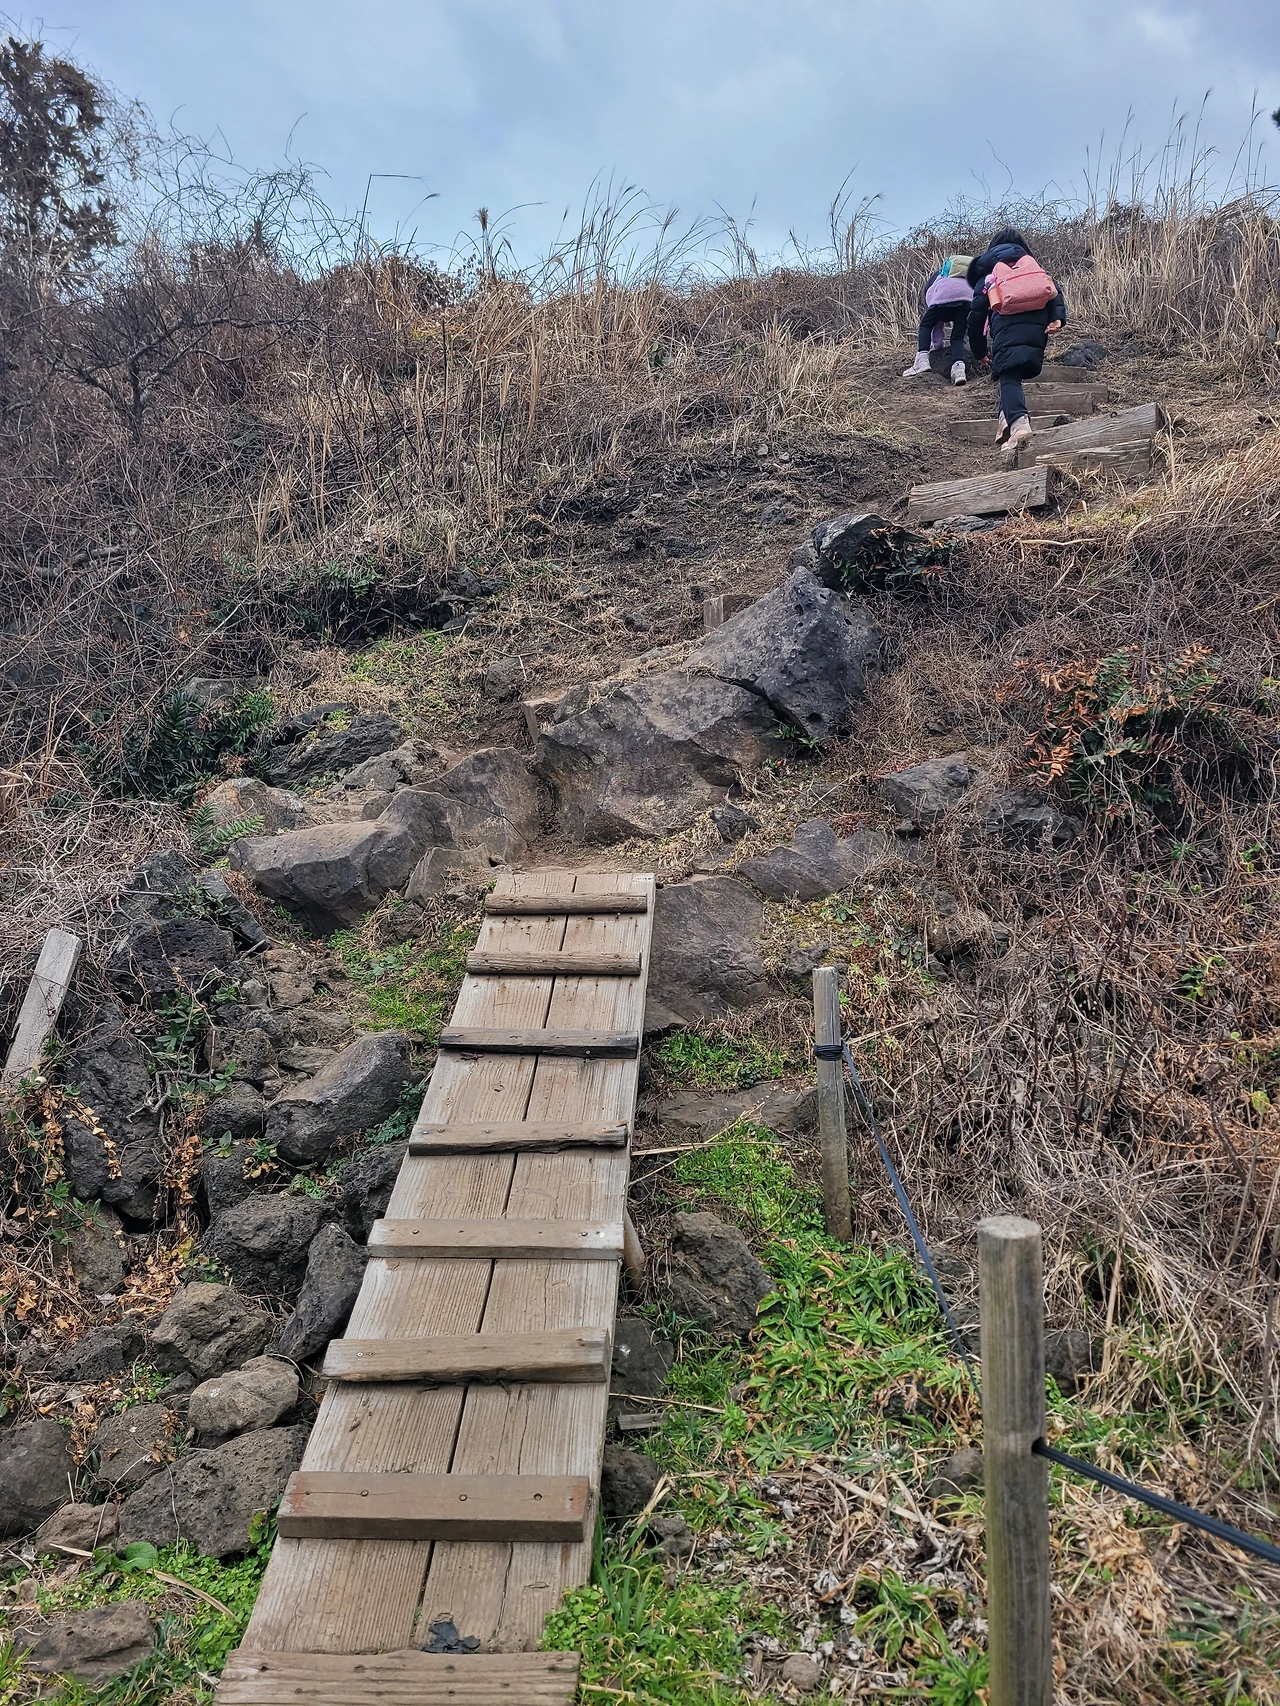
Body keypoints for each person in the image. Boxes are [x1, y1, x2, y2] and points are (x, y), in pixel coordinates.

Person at [966, 229, 1066, 456]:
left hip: (1006, 329)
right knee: (1013, 371)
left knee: (1008, 375)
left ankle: (1020, 427)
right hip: (1036, 329)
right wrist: (1057, 319)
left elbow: (976, 317)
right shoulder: (1032, 266)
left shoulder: (989, 274)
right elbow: (1055, 292)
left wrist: (979, 350)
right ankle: (1005, 419)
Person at [902, 254, 974, 385]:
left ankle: (922, 361)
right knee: (957, 337)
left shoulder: (937, 279)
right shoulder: (967, 279)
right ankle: (959, 370)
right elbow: (964, 330)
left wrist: (937, 347)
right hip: (967, 300)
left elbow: (936, 325)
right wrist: (964, 340)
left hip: (943, 297)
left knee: (926, 325)